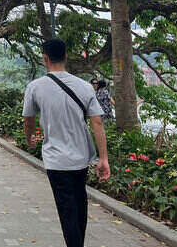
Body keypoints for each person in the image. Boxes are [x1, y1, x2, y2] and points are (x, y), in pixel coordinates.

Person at [22, 39, 110, 247]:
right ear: (66, 57)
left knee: (67, 209)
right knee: (80, 204)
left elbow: (28, 120)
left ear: (45, 58)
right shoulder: (85, 87)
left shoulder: (35, 87)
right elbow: (97, 122)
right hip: (81, 158)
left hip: (55, 160)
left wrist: (29, 138)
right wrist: (104, 158)